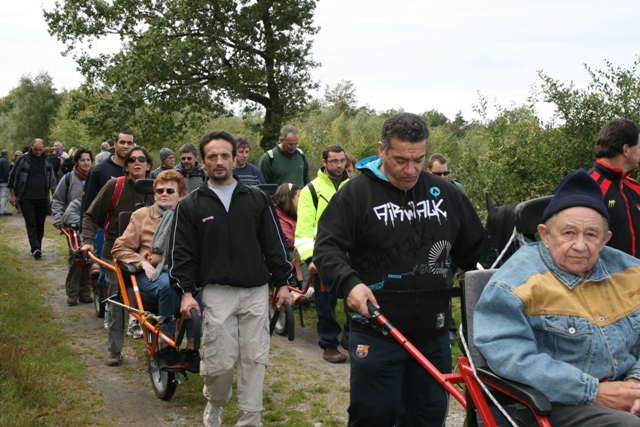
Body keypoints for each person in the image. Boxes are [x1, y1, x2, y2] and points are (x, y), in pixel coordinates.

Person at [314, 112, 485, 427]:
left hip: (433, 335)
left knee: (428, 416)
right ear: (381, 150)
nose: (411, 170)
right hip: (377, 330)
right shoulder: (355, 194)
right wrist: (349, 283)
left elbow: (476, 252)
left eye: (419, 160)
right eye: (400, 160)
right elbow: (327, 248)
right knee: (374, 416)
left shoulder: (447, 195)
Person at [474, 169, 640, 427]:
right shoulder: (513, 285)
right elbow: (514, 358)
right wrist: (593, 392)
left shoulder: (632, 273)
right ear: (546, 235)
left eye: (592, 235)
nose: (580, 245)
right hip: (558, 402)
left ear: (605, 239)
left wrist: (634, 385)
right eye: (569, 233)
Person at [168, 130, 293, 427]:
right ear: (203, 162)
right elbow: (182, 254)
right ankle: (215, 403)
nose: (220, 161)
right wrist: (185, 292)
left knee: (254, 360)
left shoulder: (257, 200)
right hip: (217, 292)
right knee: (218, 363)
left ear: (235, 158)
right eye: (213, 157)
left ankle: (250, 420)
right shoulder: (191, 205)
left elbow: (274, 246)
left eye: (225, 155)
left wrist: (284, 284)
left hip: (255, 292)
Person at [111, 169, 200, 365]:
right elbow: (119, 247)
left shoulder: (189, 216)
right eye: (160, 191)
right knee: (169, 285)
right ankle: (167, 346)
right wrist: (141, 262)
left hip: (180, 269)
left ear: (181, 195)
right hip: (150, 273)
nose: (164, 194)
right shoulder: (142, 215)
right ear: (154, 193)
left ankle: (193, 346)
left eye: (170, 191)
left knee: (198, 289)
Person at [81, 146, 154, 366]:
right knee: (116, 303)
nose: (137, 163)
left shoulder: (159, 189)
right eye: (132, 160)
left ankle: (156, 348)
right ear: (126, 166)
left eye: (142, 159)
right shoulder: (115, 186)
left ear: (149, 165)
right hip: (116, 253)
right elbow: (91, 216)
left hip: (149, 256)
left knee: (151, 301)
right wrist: (87, 241)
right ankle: (115, 350)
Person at [295, 144, 350, 363]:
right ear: (324, 163)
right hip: (324, 256)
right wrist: (310, 258)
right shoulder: (311, 190)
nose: (339, 165)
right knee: (325, 301)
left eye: (342, 161)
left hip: (350, 254)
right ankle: (329, 344)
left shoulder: (353, 186)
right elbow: (304, 228)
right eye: (334, 161)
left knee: (354, 299)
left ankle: (349, 336)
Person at [588, 118, 640, 258]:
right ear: (626, 149)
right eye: (639, 147)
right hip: (604, 278)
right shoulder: (588, 187)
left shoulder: (634, 187)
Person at [52, 148, 95, 306]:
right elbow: (57, 200)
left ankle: (85, 292)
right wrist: (58, 218)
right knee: (76, 258)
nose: (86, 163)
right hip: (73, 225)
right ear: (77, 162)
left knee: (89, 258)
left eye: (88, 160)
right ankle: (72, 293)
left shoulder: (95, 178)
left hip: (91, 224)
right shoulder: (68, 179)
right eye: (83, 160)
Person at [8, 139, 57, 259]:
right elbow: (13, 177)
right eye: (36, 149)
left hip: (42, 198)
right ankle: (35, 248)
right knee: (31, 223)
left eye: (40, 150)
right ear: (31, 146)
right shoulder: (23, 160)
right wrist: (13, 195)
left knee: (40, 224)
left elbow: (52, 181)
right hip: (26, 198)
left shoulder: (47, 161)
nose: (38, 152)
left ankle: (38, 247)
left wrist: (55, 197)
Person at [0, 150, 11, 215]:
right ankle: (3, 210)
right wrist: (9, 180)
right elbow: (7, 171)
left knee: (0, 196)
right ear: (6, 155)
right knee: (5, 196)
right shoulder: (5, 161)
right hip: (4, 181)